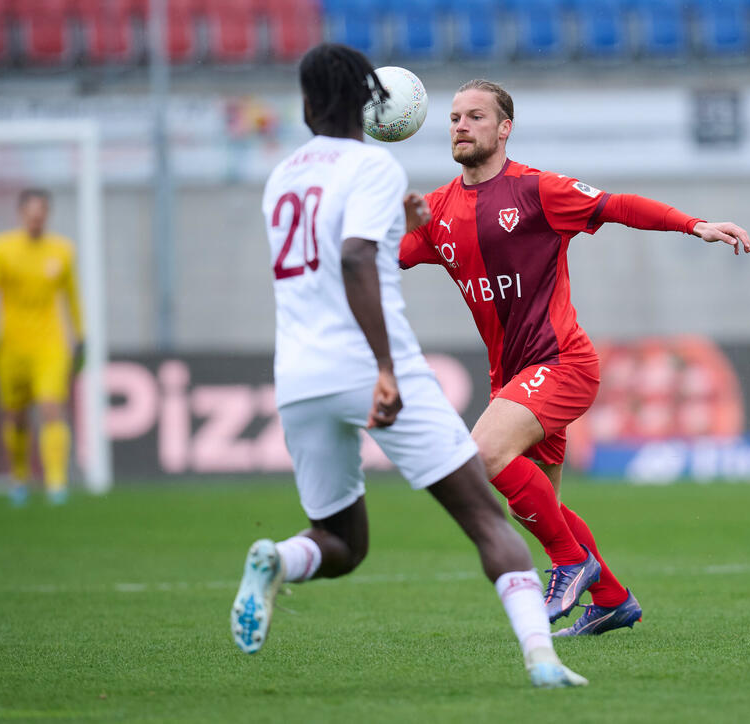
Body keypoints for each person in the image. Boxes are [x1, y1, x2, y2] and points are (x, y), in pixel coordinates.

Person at [230, 45, 586, 688]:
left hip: (298, 375)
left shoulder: (282, 176)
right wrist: (387, 368)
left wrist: (405, 227)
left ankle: (279, 558)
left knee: (341, 539)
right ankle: (543, 656)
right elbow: (358, 259)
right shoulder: (374, 165)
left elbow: (336, 252)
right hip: (366, 366)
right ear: (371, 106)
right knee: (484, 514)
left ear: (307, 104)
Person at [400, 79, 750, 636]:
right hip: (513, 377)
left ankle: (571, 563)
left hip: (561, 362)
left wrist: (694, 224)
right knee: (537, 506)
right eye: (453, 118)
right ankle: (611, 598)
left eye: (475, 116)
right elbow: (378, 256)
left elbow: (617, 206)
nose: (461, 126)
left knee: (483, 455)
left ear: (504, 128)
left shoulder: (537, 190)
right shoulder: (438, 210)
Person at [0, 189, 84, 506]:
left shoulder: (62, 251)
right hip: (11, 347)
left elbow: (73, 298)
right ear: (21, 214)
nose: (37, 220)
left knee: (51, 408)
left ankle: (56, 483)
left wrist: (82, 336)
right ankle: (19, 477)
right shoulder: (2, 248)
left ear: (47, 215)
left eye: (42, 214)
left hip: (51, 344)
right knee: (16, 416)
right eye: (32, 214)